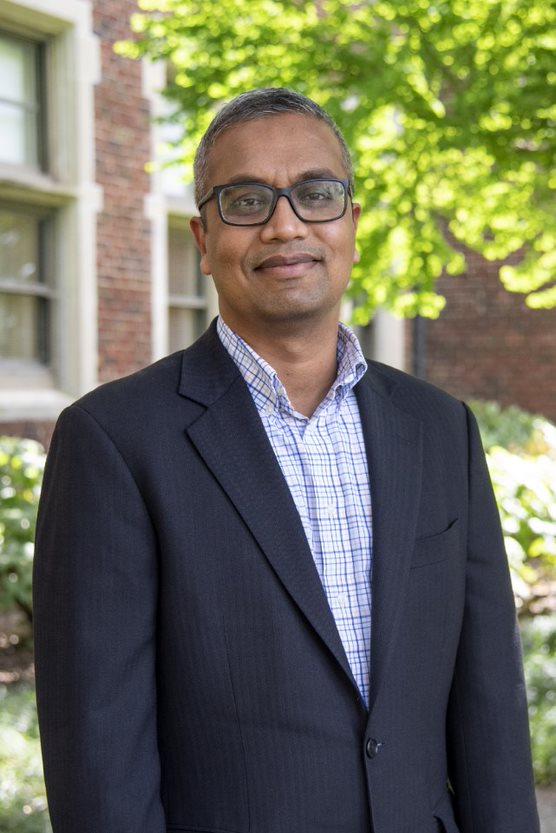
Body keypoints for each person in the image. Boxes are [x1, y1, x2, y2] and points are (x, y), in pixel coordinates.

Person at [33, 88, 539, 833]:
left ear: (352, 226)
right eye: (245, 200)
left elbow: (491, 709)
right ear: (202, 239)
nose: (285, 224)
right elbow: (100, 756)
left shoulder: (440, 430)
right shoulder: (113, 442)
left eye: (315, 193)